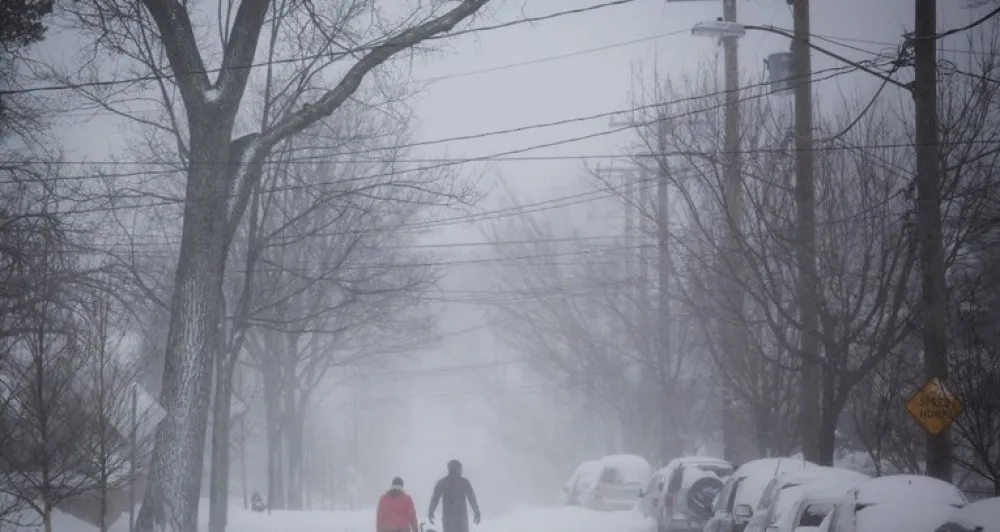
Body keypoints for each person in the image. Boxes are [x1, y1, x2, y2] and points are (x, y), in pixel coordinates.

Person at [428, 460, 481, 532]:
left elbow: (435, 499)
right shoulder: (464, 482)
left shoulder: (442, 482)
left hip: (448, 519)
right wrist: (477, 512)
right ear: (458, 469)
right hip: (461, 518)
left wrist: (431, 512)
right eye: (460, 468)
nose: (461, 471)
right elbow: (472, 499)